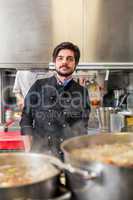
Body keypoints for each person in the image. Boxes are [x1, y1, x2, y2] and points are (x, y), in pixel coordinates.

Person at [20, 42, 90, 157]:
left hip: (68, 155)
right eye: (60, 58)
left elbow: (82, 127)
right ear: (55, 62)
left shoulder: (82, 92)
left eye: (70, 59)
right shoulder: (39, 86)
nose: (64, 62)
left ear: (75, 64)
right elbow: (26, 119)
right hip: (41, 154)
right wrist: (29, 151)